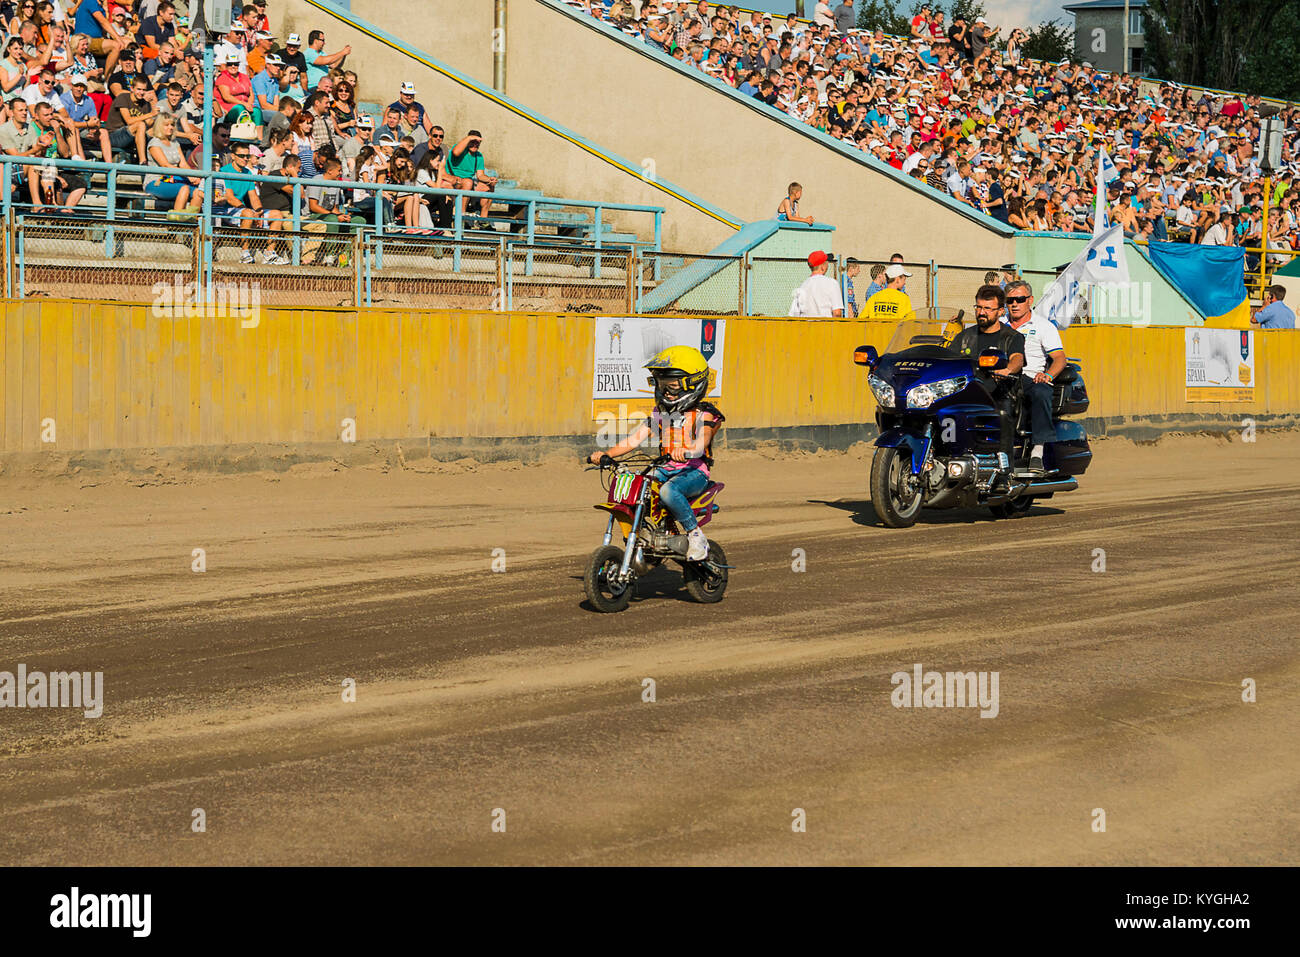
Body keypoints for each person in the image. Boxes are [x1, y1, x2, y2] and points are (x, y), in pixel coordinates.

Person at [586, 346, 724, 563]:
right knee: (633, 484)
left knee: (669, 491)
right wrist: (606, 454)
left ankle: (696, 536)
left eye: (673, 384)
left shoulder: (705, 413)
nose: (667, 390)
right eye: (661, 384)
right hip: (665, 468)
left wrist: (687, 451)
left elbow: (701, 443)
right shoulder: (660, 413)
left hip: (694, 472)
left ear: (694, 383)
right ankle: (645, 535)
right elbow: (634, 439)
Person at [951, 284, 1025, 456]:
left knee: (1002, 415)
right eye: (979, 307)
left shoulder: (1012, 337)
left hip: (999, 393)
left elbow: (1017, 359)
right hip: (965, 393)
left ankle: (1004, 473)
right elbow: (948, 358)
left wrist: (1007, 370)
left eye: (987, 308)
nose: (981, 312)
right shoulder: (964, 337)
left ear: (1000, 311)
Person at [1004, 280, 1066, 474]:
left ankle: (1037, 452)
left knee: (1041, 392)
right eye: (1010, 300)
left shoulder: (1043, 326)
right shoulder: (999, 324)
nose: (1014, 304)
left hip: (1030, 377)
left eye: (1020, 299)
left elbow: (1059, 359)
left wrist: (1047, 375)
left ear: (1030, 300)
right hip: (1002, 377)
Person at [790, 250, 843, 317]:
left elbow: (795, 314)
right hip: (825, 326)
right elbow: (837, 313)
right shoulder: (832, 283)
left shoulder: (803, 286)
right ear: (822, 267)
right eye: (826, 263)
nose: (828, 265)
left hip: (807, 326)